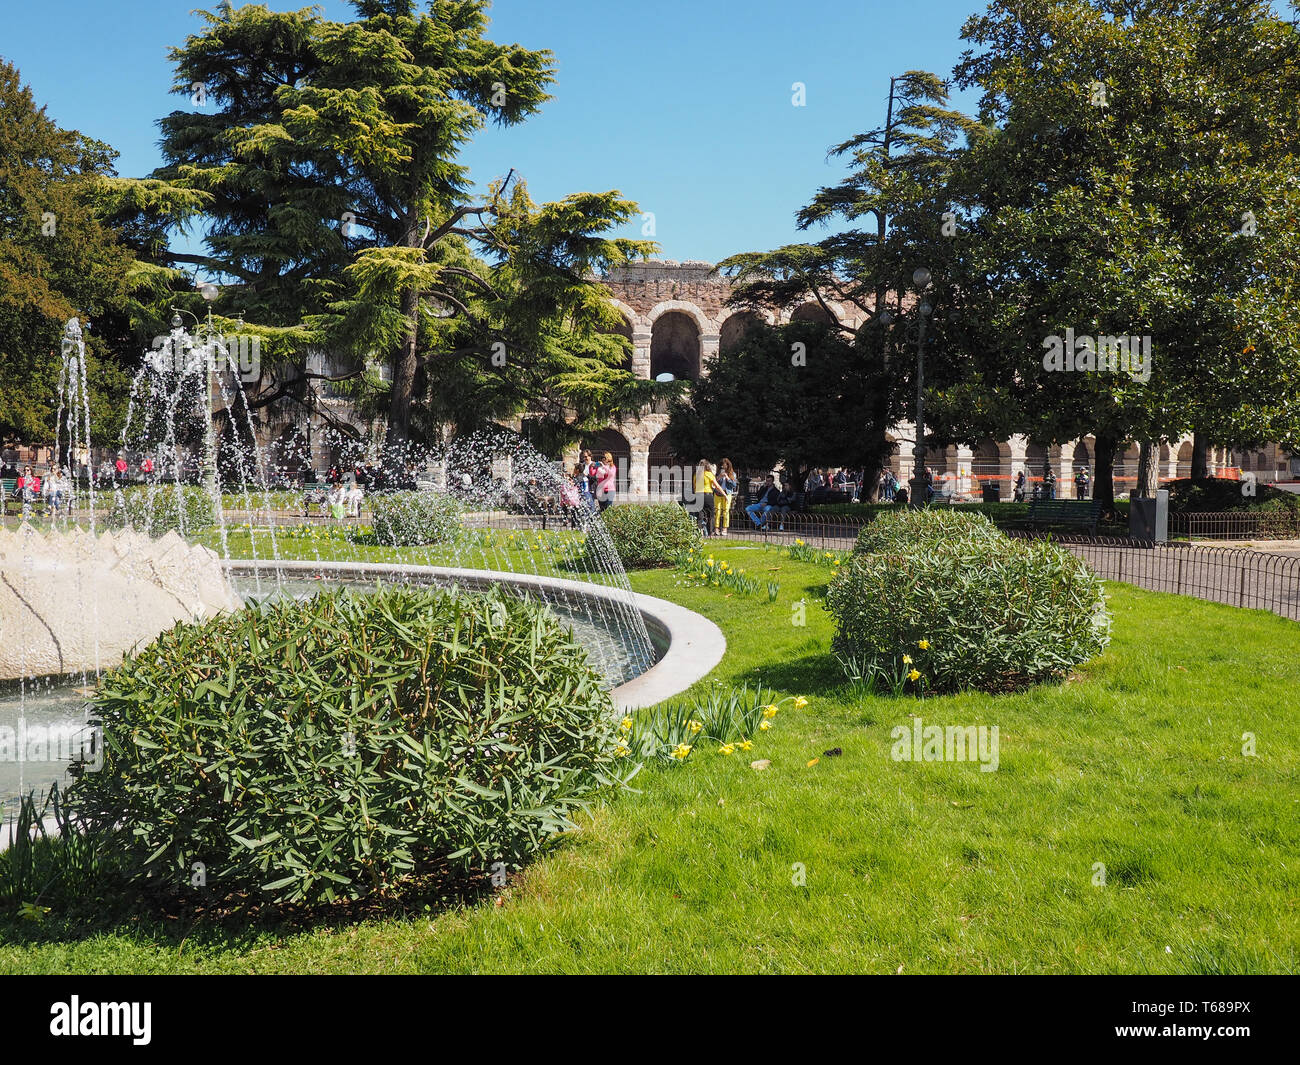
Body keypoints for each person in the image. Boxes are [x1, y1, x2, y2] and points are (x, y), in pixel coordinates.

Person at [715, 458, 738, 536]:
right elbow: (714, 483)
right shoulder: (718, 473)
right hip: (718, 493)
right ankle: (716, 528)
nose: (723, 467)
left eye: (724, 466)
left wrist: (728, 478)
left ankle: (725, 528)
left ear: (728, 466)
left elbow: (734, 485)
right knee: (717, 511)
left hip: (727, 493)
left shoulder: (733, 474)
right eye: (722, 466)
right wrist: (719, 477)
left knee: (726, 511)